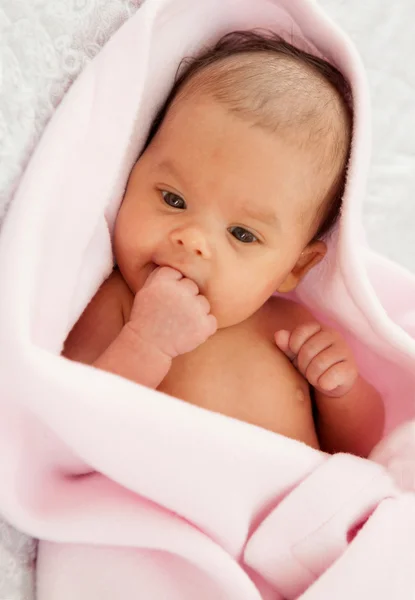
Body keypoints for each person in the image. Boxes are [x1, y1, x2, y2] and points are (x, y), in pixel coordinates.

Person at [63, 30, 384, 457]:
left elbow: (359, 449)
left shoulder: (290, 330)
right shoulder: (119, 305)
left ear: (295, 267)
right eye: (173, 200)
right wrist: (145, 343)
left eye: (242, 234)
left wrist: (343, 392)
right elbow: (70, 422)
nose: (194, 240)